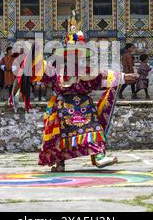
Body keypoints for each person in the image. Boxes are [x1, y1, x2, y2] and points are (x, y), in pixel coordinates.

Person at [11, 11, 138, 172]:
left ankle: (98, 156)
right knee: (59, 136)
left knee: (93, 128)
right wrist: (31, 58)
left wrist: (124, 77)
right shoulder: (55, 69)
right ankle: (59, 163)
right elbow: (37, 70)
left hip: (84, 107)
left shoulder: (87, 71)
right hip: (62, 108)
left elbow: (103, 77)